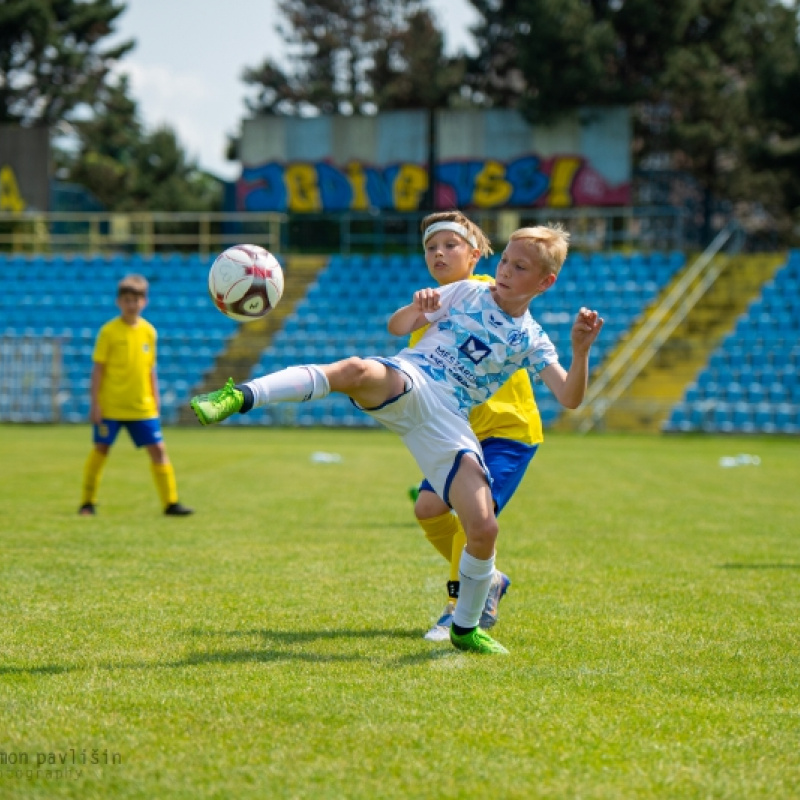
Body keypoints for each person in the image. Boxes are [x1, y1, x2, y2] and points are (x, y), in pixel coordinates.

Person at [190, 223, 603, 654]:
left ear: (545, 282)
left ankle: (464, 627)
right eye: (504, 261)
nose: (504, 271)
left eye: (519, 268)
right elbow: (397, 325)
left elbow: (569, 397)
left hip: (449, 420)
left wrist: (581, 350)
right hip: (411, 377)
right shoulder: (467, 292)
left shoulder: (533, 339)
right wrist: (419, 307)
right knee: (353, 370)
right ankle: (240, 395)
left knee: (483, 527)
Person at [410, 211, 548, 642]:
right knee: (428, 509)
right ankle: (487, 575)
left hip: (508, 432)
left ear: (475, 254)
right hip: (464, 435)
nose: (439, 253)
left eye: (451, 245)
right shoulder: (430, 312)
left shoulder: (491, 290)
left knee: (474, 523)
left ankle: (458, 607)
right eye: (432, 247)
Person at [78, 274, 194, 517]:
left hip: (142, 406)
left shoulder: (149, 332)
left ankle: (170, 503)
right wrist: (95, 404)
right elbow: (98, 369)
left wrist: (156, 399)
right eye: (127, 300)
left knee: (159, 451)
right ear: (119, 302)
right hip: (111, 406)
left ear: (144, 302)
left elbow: (150, 369)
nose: (132, 304)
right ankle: (87, 502)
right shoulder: (108, 332)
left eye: (136, 299)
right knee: (101, 449)